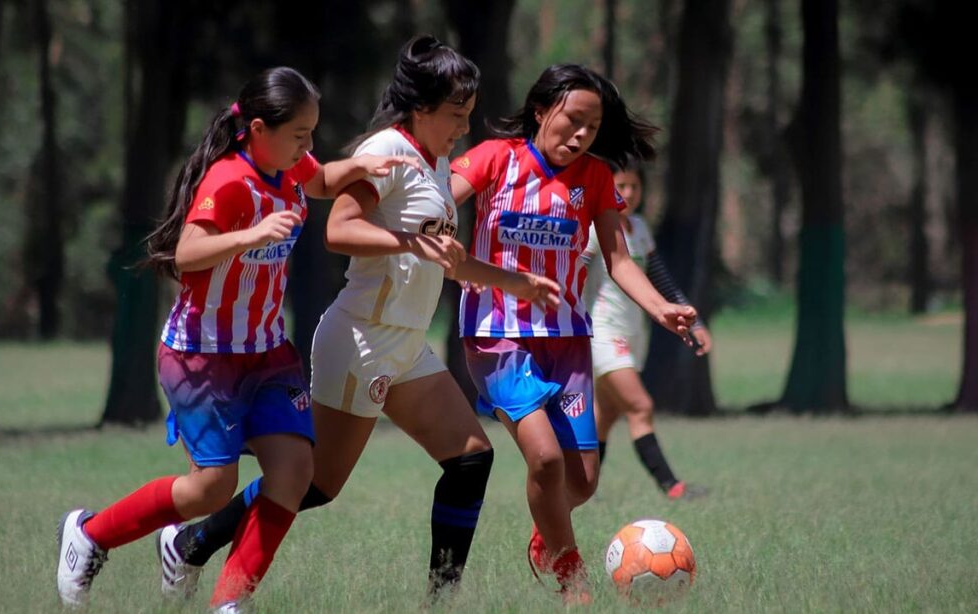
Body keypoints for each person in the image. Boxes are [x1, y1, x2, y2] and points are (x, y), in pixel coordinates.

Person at [157, 35, 561, 601]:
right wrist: (408, 243)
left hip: (406, 345)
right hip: (362, 341)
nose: (464, 128)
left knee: (471, 458)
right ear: (421, 109)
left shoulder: (437, 162)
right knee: (315, 485)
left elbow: (444, 256)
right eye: (456, 115)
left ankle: (440, 602)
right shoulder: (386, 153)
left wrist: (519, 284)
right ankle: (190, 544)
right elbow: (338, 230)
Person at [55, 66, 419, 611]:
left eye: (312, 133)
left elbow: (318, 179)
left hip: (267, 355)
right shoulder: (227, 180)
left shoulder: (293, 169)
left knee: (295, 472)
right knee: (211, 490)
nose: (308, 145)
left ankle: (230, 603)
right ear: (256, 128)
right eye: (299, 134)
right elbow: (186, 255)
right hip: (202, 357)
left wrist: (357, 167)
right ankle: (90, 534)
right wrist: (250, 234)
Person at [448, 64, 698, 603]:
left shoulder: (596, 177)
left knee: (582, 481)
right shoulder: (496, 158)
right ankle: (574, 583)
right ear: (541, 111)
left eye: (593, 125)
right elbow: (440, 199)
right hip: (497, 336)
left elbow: (618, 258)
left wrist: (662, 308)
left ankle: (547, 538)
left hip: (568, 342)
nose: (581, 134)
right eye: (572, 120)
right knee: (545, 459)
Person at [583, 160, 712, 499]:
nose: (627, 194)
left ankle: (580, 488)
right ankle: (673, 487)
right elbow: (573, 273)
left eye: (633, 187)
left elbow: (661, 279)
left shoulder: (639, 227)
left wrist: (693, 323)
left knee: (605, 414)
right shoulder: (595, 229)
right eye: (619, 187)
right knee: (640, 406)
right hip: (602, 333)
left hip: (632, 334)